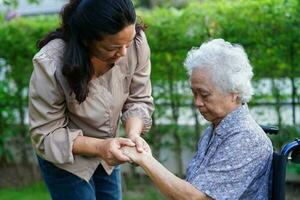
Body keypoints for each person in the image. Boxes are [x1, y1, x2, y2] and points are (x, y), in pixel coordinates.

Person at [28, 0, 154, 199]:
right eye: (113, 47)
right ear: (87, 40)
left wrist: (133, 135)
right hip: (65, 157)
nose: (123, 54)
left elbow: (139, 99)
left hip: (108, 152)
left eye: (127, 45)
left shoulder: (136, 44)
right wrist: (100, 147)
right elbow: (46, 133)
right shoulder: (51, 63)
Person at [122, 39, 273, 200]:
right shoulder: (217, 128)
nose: (197, 102)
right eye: (194, 93)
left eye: (204, 94)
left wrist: (145, 159)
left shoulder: (246, 138)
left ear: (234, 92)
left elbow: (194, 198)